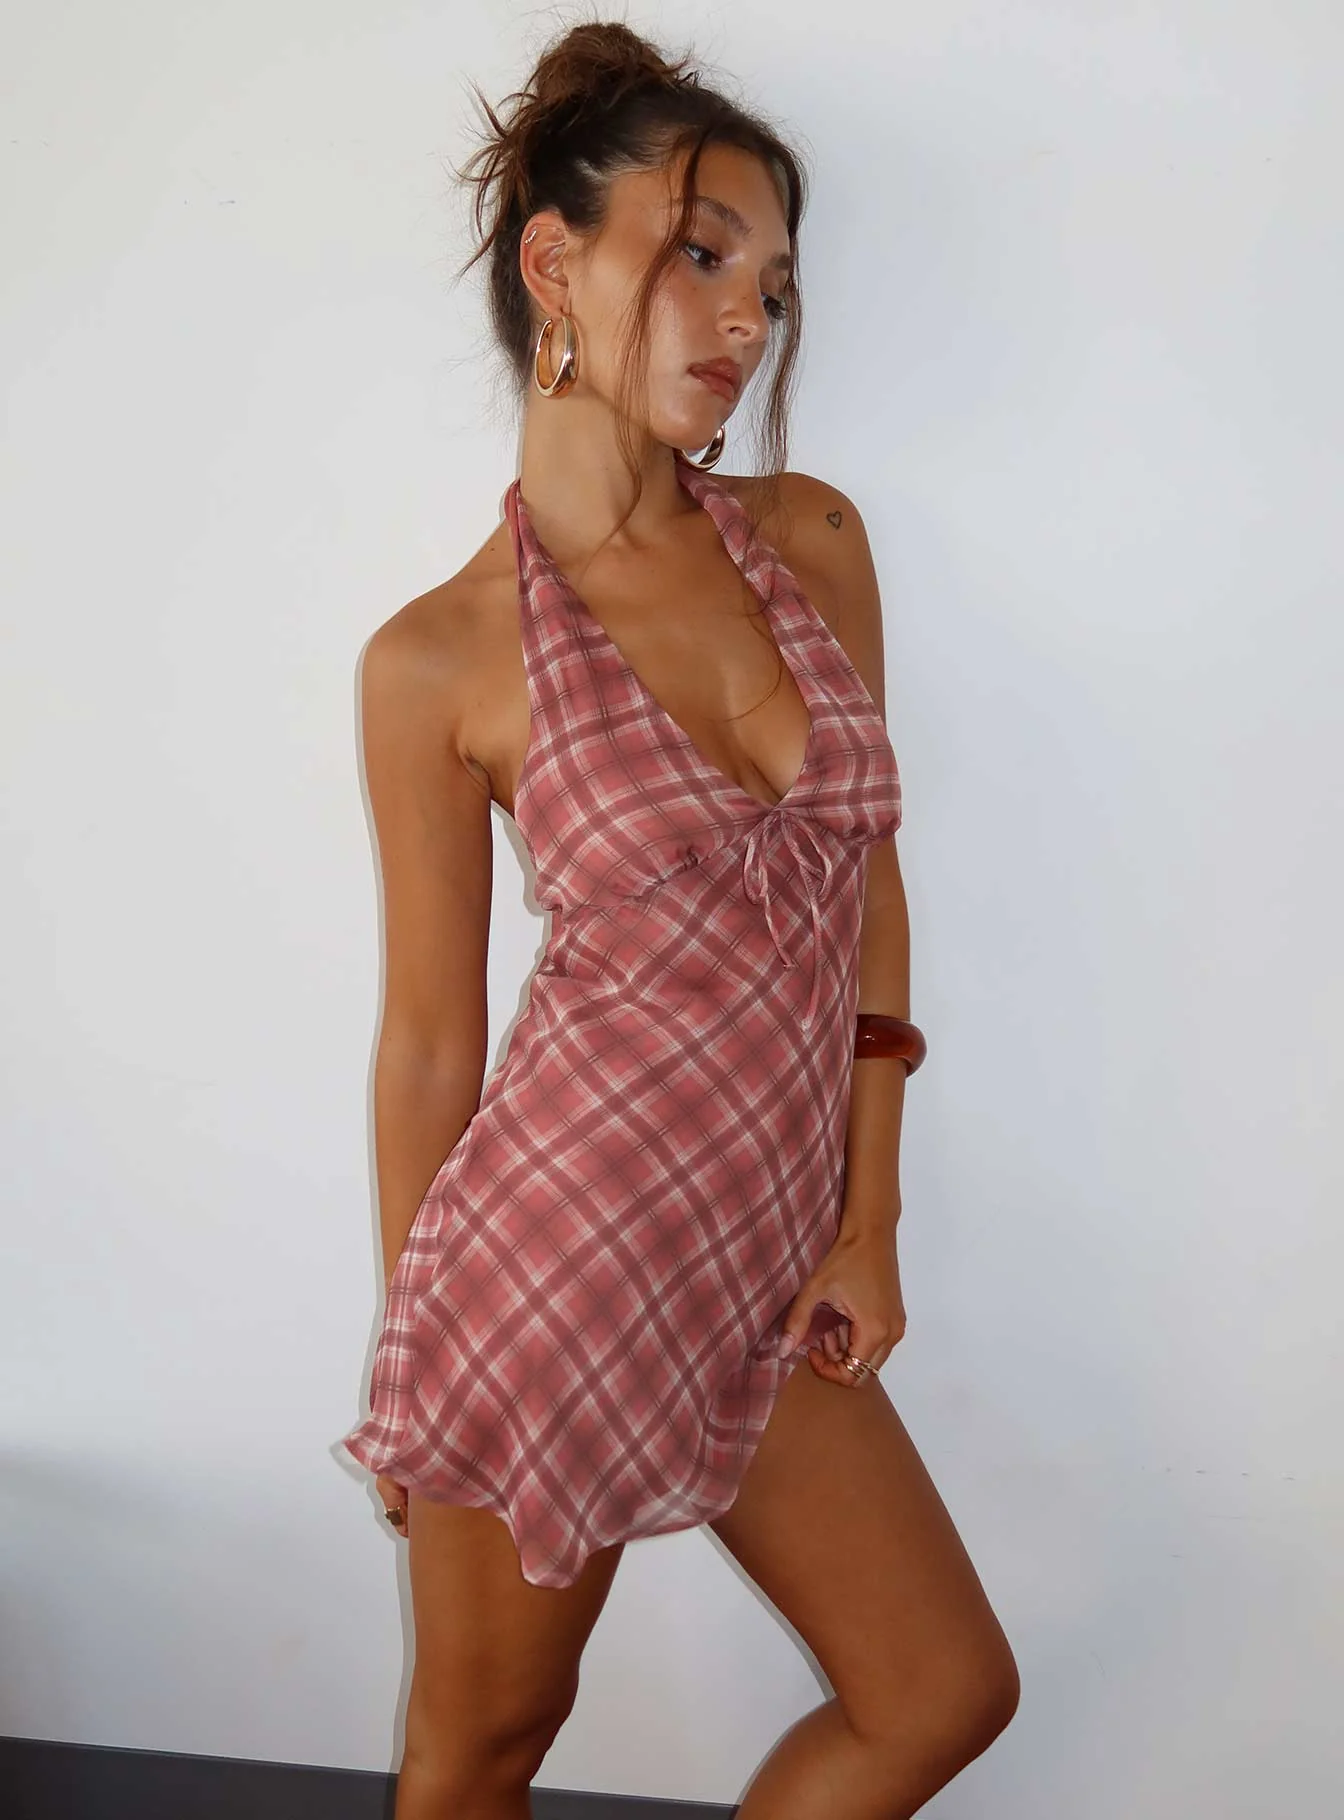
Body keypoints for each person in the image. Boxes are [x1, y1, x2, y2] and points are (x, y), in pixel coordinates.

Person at [340, 19, 1019, 1819]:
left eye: (771, 287)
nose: (743, 320)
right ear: (552, 265)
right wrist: (413, 1361)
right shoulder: (438, 658)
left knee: (941, 1693)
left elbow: (865, 882)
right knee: (482, 1754)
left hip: (769, 1263)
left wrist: (868, 1219)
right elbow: (429, 1042)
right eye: (702, 256)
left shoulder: (810, 540)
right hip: (549, 1270)